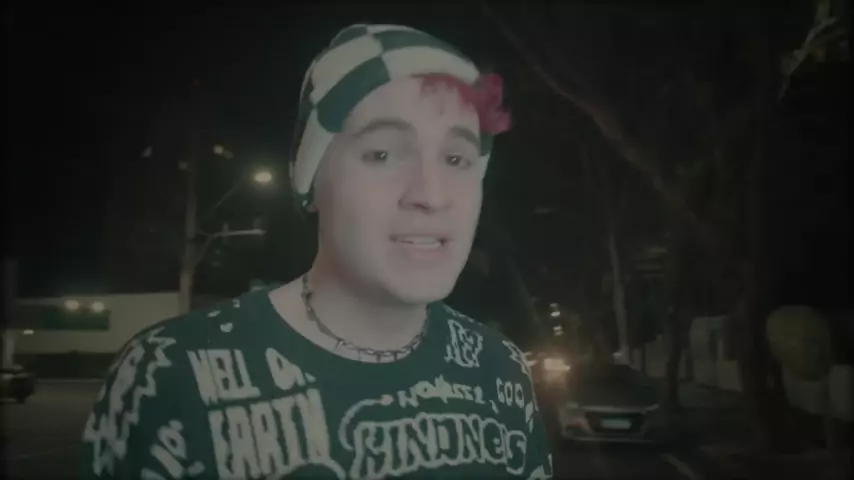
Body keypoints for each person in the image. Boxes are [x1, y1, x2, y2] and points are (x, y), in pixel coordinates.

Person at [80, 23, 553, 479]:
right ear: (312, 184)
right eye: (382, 154)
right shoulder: (169, 373)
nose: (431, 195)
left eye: (456, 159)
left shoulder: (502, 369)